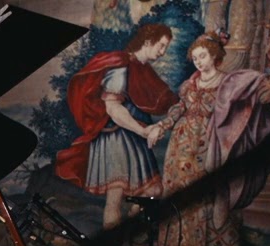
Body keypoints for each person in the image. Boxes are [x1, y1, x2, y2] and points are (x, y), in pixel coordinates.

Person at [145, 33, 270, 246]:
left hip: (208, 149)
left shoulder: (228, 83)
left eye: (202, 56)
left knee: (201, 199)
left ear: (214, 56)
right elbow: (180, 108)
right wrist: (161, 126)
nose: (198, 62)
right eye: (195, 58)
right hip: (179, 149)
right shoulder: (190, 84)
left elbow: (261, 93)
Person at [55, 23, 180, 229]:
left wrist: (156, 126)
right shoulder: (121, 66)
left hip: (135, 136)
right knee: (115, 196)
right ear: (148, 42)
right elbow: (113, 108)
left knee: (154, 191)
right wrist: (143, 130)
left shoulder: (144, 70)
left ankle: (127, 235)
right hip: (115, 136)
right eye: (161, 45)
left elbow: (169, 101)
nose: (163, 52)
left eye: (166, 47)